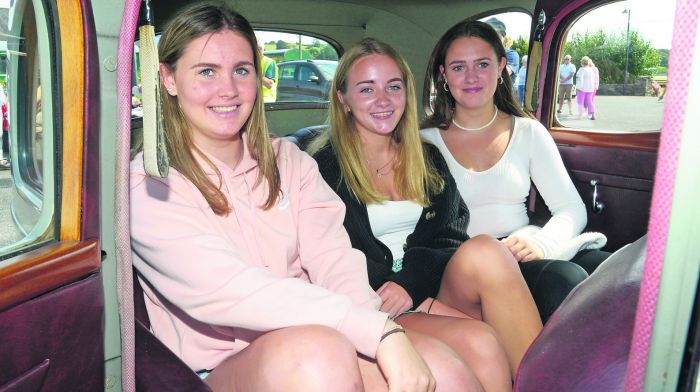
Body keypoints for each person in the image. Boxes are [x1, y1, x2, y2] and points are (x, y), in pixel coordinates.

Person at [131, 4, 483, 391]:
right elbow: (232, 290)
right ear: (168, 78)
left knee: (444, 369)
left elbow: (334, 259)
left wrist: (382, 330)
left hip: (324, 337)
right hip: (216, 368)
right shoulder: (150, 184)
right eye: (206, 71)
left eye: (241, 71)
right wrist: (377, 332)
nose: (228, 89)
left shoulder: (289, 161)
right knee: (316, 352)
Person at [309, 37, 541, 383]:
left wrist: (412, 283)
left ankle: (546, 378)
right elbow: (328, 256)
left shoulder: (426, 156)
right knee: (480, 340)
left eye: (394, 86)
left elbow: (451, 235)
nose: (384, 100)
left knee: (487, 250)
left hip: (427, 283)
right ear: (343, 99)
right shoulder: (323, 168)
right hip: (375, 301)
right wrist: (399, 289)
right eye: (367, 89)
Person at [421, 20, 609, 322]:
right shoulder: (423, 142)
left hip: (523, 244)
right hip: (462, 262)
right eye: (458, 67)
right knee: (565, 280)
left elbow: (571, 208)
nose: (471, 77)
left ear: (500, 67)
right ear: (443, 75)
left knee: (613, 272)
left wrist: (540, 243)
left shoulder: (528, 131)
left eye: (482, 64)